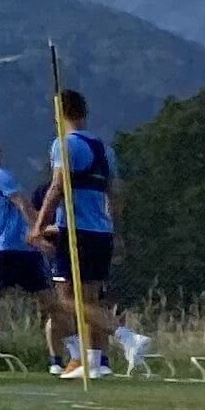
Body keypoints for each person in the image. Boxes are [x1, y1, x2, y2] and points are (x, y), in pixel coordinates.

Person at [44, 87, 145, 376]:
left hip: (76, 230)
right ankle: (96, 362)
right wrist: (117, 231)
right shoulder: (105, 149)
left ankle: (127, 337)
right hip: (102, 231)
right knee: (90, 301)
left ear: (59, 113)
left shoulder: (63, 144)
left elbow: (56, 187)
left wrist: (39, 225)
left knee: (65, 299)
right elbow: (116, 194)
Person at [0, 135, 58, 371]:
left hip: (10, 251)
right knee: (50, 303)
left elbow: (22, 203)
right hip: (21, 251)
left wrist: (36, 233)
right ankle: (73, 351)